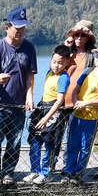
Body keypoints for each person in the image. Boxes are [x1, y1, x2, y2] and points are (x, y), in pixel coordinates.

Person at [0, 7, 37, 186]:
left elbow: (30, 75)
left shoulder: (29, 48)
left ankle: (8, 173)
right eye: (17, 28)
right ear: (7, 27)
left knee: (14, 142)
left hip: (18, 105)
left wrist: (29, 95)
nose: (20, 32)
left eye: (23, 28)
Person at [63, 41, 98, 177]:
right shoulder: (87, 71)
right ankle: (69, 170)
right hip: (77, 114)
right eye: (97, 54)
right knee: (72, 144)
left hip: (92, 118)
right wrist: (75, 101)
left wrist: (84, 104)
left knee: (85, 148)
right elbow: (75, 89)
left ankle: (79, 173)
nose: (97, 57)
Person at [26, 46, 73, 183]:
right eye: (54, 62)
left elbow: (60, 101)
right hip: (42, 107)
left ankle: (45, 173)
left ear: (66, 63)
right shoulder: (49, 73)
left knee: (50, 144)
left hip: (53, 112)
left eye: (60, 63)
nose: (56, 65)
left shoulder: (64, 77)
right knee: (34, 140)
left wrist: (47, 118)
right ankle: (35, 170)